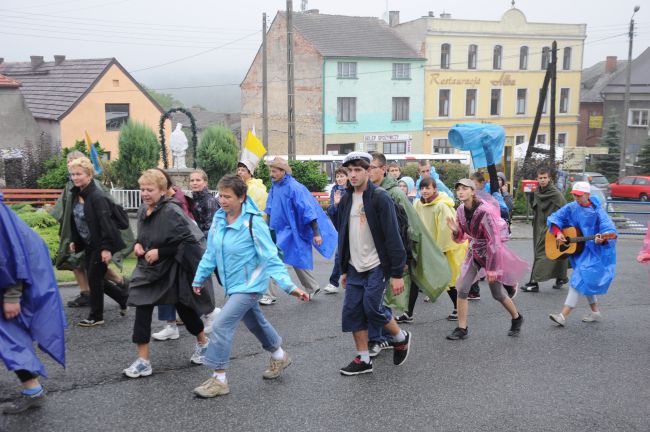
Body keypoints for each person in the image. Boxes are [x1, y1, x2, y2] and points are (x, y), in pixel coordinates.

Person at [191, 175, 309, 397]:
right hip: (233, 285)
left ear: (241, 197)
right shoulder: (219, 219)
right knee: (256, 322)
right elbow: (211, 253)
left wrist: (289, 286)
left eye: (228, 196)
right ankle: (279, 356)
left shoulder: (253, 222)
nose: (222, 200)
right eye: (220, 195)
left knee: (221, 325)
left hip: (251, 285)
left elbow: (271, 258)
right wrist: (199, 278)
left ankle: (219, 379)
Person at [123, 169, 215, 378]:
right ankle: (143, 361)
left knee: (184, 308)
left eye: (150, 190)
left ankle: (204, 342)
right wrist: (138, 245)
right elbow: (144, 236)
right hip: (148, 271)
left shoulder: (173, 211)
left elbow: (193, 240)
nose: (145, 194)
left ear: (163, 191)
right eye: (142, 189)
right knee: (142, 308)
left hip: (173, 269)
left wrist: (161, 252)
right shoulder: (142, 210)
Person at [335, 152, 412, 375]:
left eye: (358, 170)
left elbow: (393, 236)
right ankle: (364, 359)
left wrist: (397, 272)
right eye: (349, 171)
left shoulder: (380, 197)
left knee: (372, 307)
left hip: (376, 265)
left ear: (369, 172)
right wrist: (343, 269)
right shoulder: (347, 198)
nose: (353, 175)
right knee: (352, 311)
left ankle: (400, 336)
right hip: (354, 266)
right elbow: (344, 236)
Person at [368, 153, 452, 334]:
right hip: (373, 253)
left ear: (383, 169)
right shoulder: (369, 190)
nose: (368, 172)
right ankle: (391, 331)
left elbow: (408, 227)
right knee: (382, 295)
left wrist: (404, 258)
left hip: (392, 252)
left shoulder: (394, 193)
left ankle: (389, 337)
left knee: (385, 295)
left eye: (371, 168)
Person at [1, 193, 66, 415]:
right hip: (11, 281)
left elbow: (9, 255)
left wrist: (11, 295)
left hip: (10, 284)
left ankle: (33, 389)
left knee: (10, 340)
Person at [445, 178, 528, 340]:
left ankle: (517, 318)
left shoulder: (485, 211)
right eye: (458, 189)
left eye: (464, 188)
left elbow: (495, 241)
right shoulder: (460, 210)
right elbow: (461, 235)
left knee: (497, 294)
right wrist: (456, 231)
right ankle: (462, 329)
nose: (460, 192)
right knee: (462, 289)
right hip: (474, 252)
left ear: (472, 191)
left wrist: (493, 269)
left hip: (491, 254)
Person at [51, 150, 132, 308]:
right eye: (71, 168)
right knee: (79, 264)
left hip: (96, 239)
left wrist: (106, 246)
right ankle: (88, 294)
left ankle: (118, 287)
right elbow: (68, 213)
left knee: (94, 272)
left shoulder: (96, 190)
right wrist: (72, 237)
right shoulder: (72, 187)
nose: (74, 174)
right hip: (81, 238)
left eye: (77, 168)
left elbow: (106, 218)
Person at [265, 157, 338, 300]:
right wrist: (267, 228)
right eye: (271, 171)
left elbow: (308, 211)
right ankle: (312, 287)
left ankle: (268, 295)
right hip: (279, 230)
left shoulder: (295, 187)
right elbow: (269, 208)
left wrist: (316, 233)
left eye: (274, 171)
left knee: (273, 259)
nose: (271, 174)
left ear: (283, 172)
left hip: (292, 230)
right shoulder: (275, 186)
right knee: (294, 258)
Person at [68, 157, 129, 327]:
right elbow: (77, 220)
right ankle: (123, 297)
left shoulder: (97, 196)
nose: (75, 177)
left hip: (101, 244)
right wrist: (75, 240)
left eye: (79, 174)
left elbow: (106, 225)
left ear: (89, 175)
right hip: (89, 243)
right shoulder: (77, 194)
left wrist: (106, 248)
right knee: (96, 277)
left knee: (94, 278)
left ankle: (96, 316)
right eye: (72, 174)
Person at [547, 182, 617, 327]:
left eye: (579, 196)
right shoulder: (572, 207)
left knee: (577, 280)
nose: (576, 198)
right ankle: (595, 312)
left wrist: (602, 240)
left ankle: (562, 315)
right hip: (579, 251)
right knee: (584, 279)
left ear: (587, 195)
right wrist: (558, 233)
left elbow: (609, 230)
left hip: (594, 253)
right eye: (574, 195)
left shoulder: (598, 211)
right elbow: (555, 218)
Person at [413, 177, 467, 321]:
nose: (424, 191)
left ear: (435, 189)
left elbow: (446, 231)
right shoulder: (418, 204)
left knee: (449, 279)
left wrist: (440, 252)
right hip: (429, 248)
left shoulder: (441, 206)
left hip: (446, 248)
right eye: (422, 188)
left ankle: (458, 308)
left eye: (428, 188)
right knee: (418, 278)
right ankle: (408, 313)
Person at [521, 168, 569, 292]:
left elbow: (565, 210)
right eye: (540, 178)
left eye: (545, 178)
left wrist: (561, 226)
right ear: (537, 179)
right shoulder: (537, 191)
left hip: (551, 226)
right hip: (539, 225)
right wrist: (530, 195)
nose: (542, 180)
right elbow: (535, 207)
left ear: (549, 178)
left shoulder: (555, 193)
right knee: (551, 251)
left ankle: (534, 283)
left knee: (541, 253)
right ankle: (561, 277)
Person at [324, 166, 349, 294]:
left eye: (342, 176)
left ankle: (335, 282)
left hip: (352, 226)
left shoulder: (352, 189)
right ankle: (335, 283)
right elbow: (331, 210)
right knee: (341, 255)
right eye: (337, 176)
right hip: (340, 227)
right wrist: (336, 204)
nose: (339, 179)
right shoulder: (334, 190)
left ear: (348, 177)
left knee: (343, 255)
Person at [190, 169, 219, 238]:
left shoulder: (209, 200)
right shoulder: (194, 198)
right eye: (192, 180)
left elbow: (211, 228)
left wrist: (195, 237)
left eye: (198, 180)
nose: (194, 183)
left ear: (205, 182)